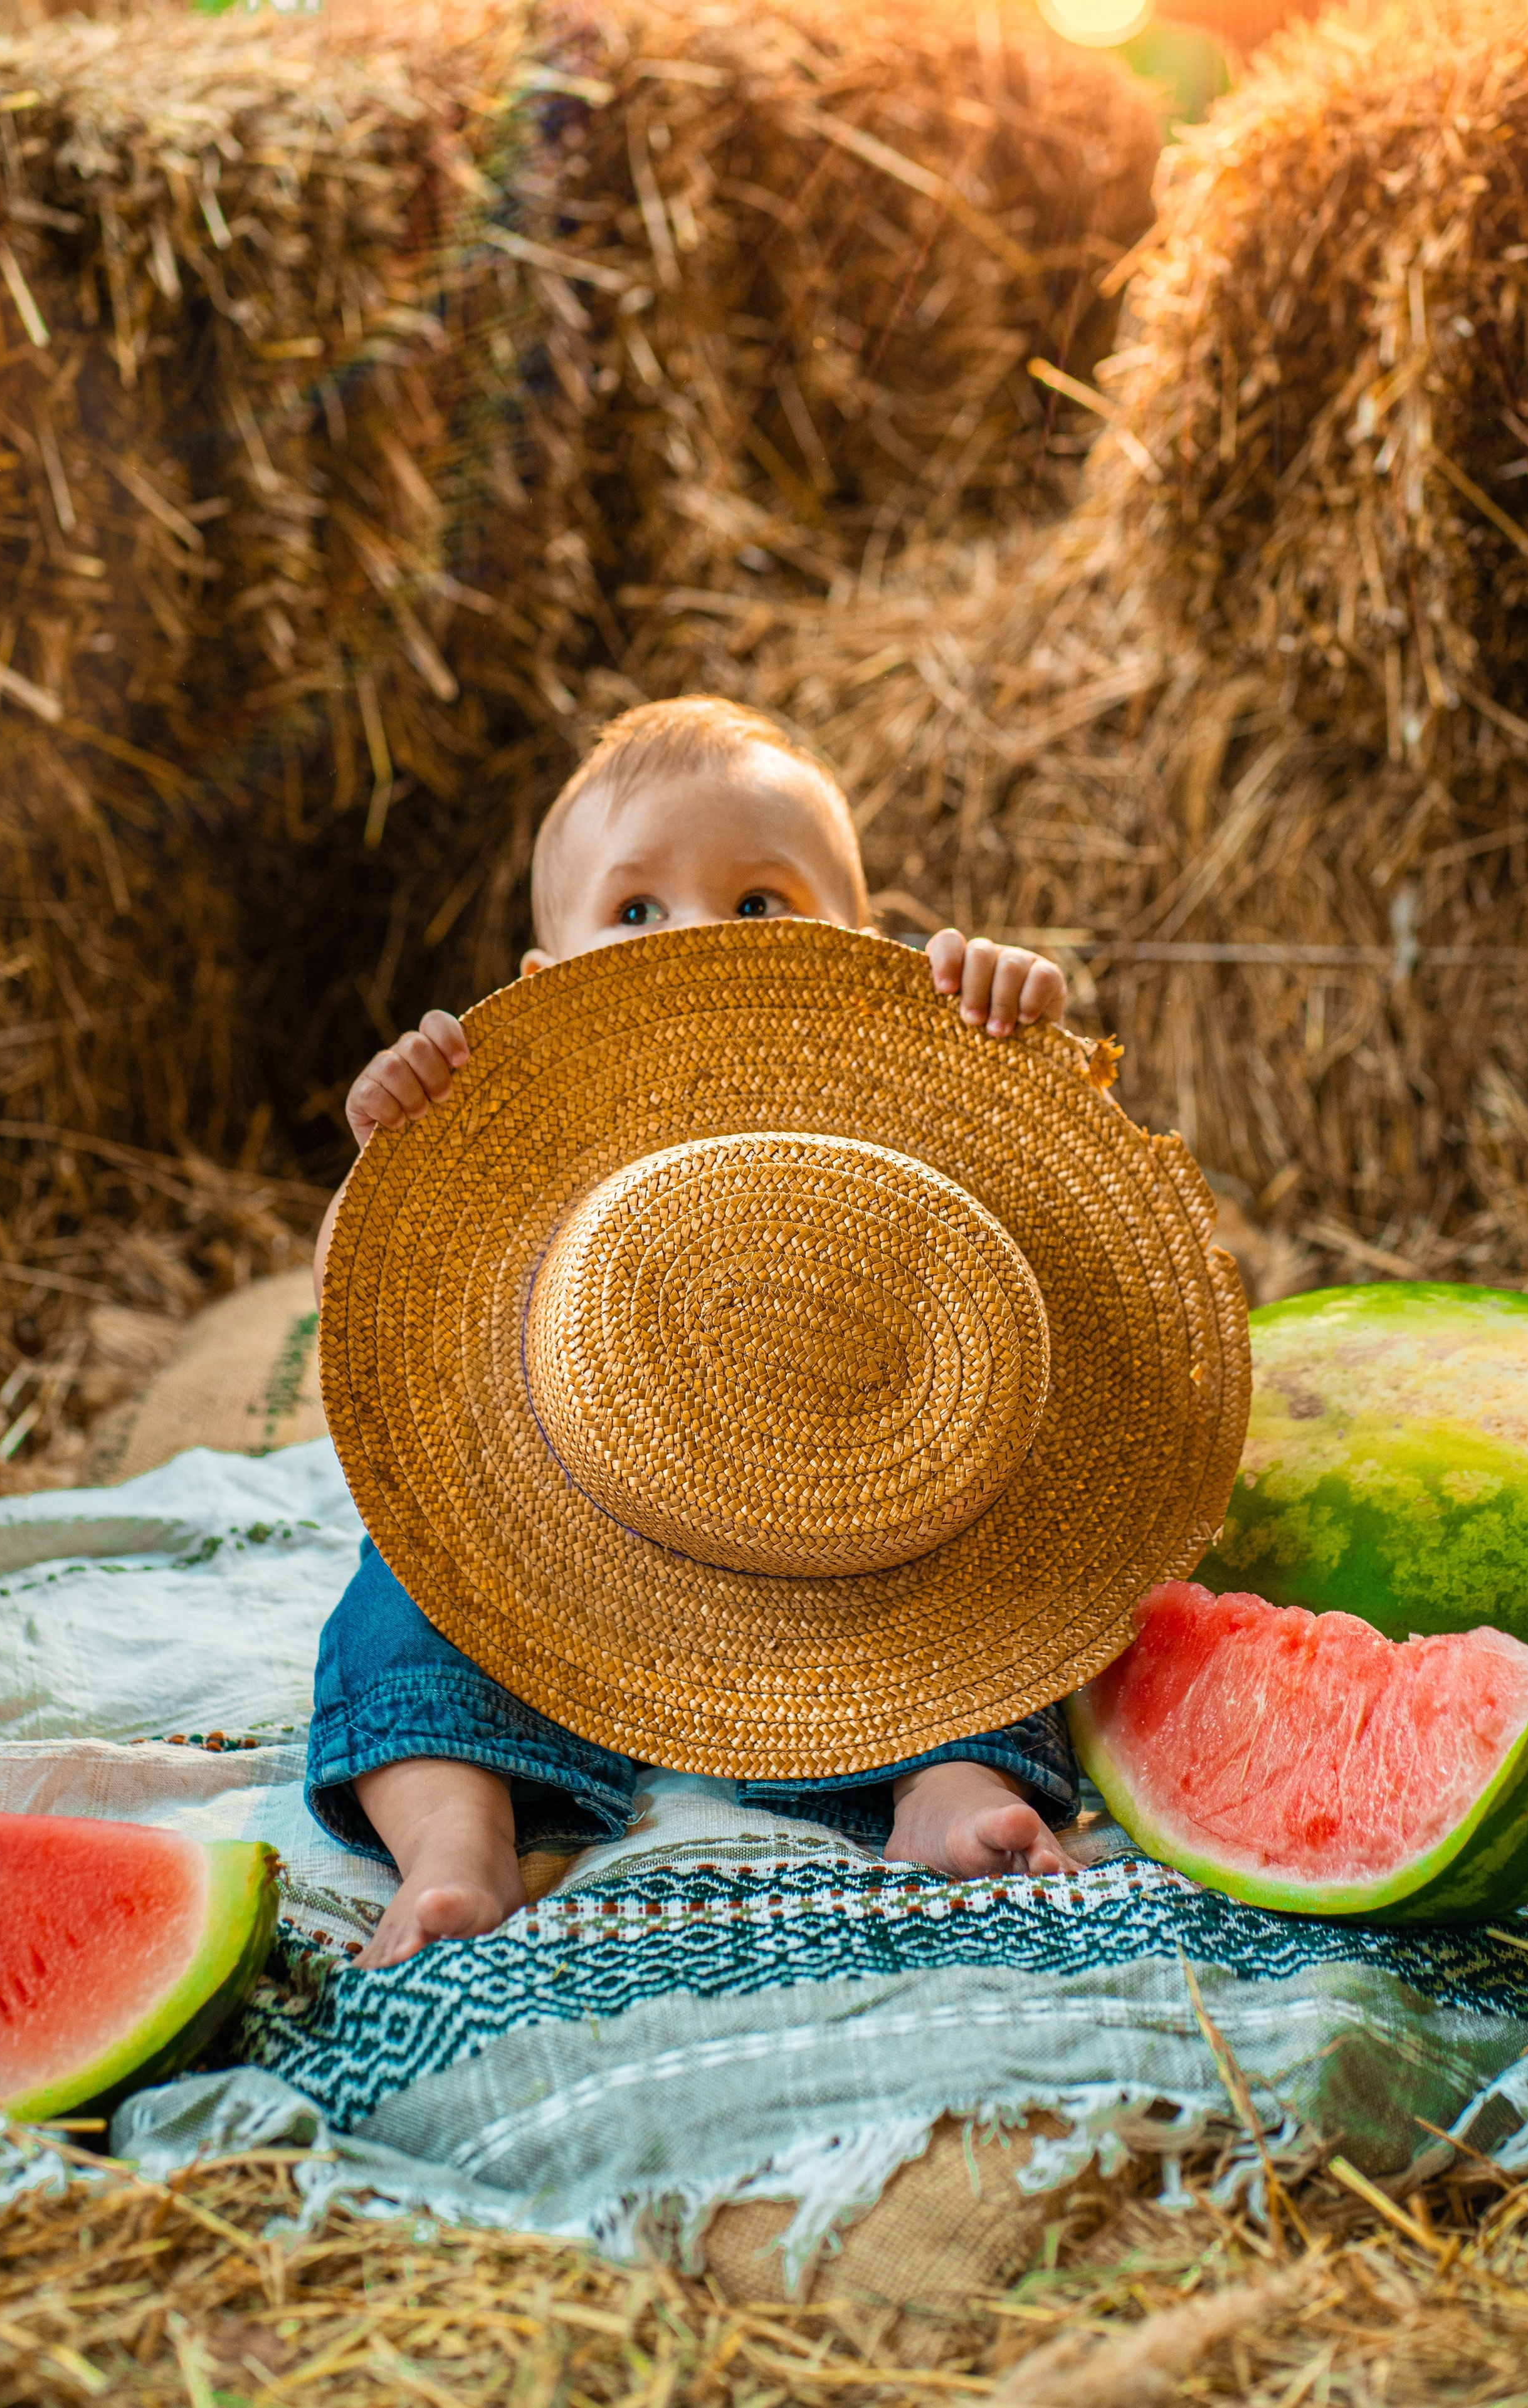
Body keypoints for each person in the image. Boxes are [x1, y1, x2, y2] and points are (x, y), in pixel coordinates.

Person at [311, 696, 1080, 1967]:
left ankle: (942, 1789)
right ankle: (458, 1845)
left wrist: (999, 1038)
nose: (697, 942)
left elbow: (1039, 1222)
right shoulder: (524, 1113)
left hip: (844, 1524)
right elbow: (363, 1296)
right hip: (554, 1525)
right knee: (407, 1603)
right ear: (544, 983)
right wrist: (398, 1156)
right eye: (634, 911)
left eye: (759, 904)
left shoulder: (887, 1087)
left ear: (865, 944)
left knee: (993, 1597)